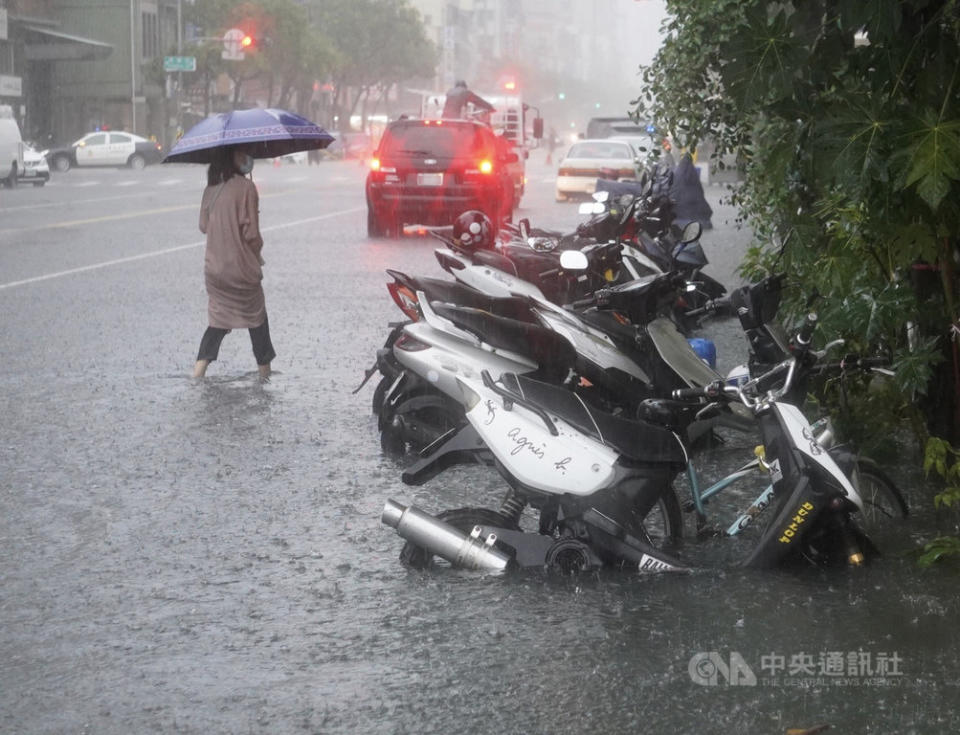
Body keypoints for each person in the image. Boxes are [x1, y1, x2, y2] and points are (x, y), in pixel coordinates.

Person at [192, 145, 276, 379]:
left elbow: (203, 226)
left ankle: (198, 372)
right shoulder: (247, 188)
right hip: (241, 270)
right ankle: (264, 373)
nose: (247, 157)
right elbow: (251, 235)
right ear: (233, 157)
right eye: (242, 153)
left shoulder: (211, 188)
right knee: (257, 318)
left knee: (218, 321)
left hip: (215, 271)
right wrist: (258, 252)